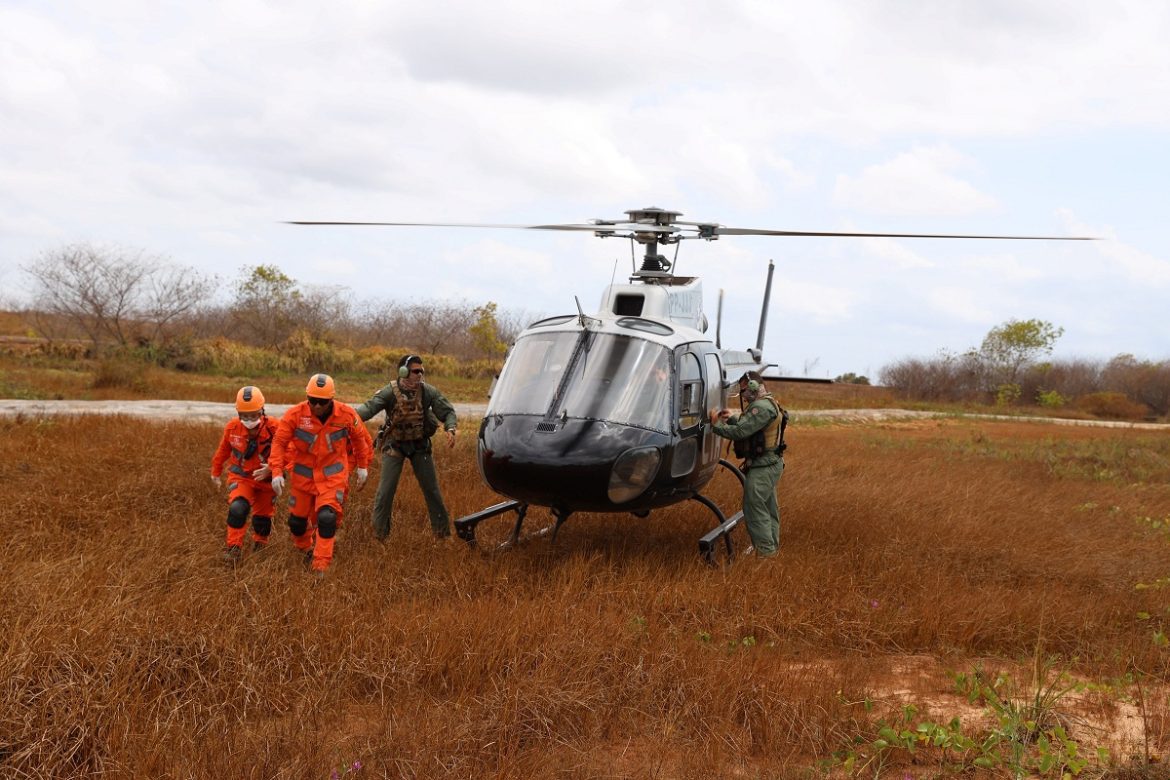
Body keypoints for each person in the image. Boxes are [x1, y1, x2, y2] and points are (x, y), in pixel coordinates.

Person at [269, 373, 373, 574]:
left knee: (326, 518)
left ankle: (320, 566)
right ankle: (305, 549)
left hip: (332, 478)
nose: (316, 406)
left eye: (322, 402)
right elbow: (279, 443)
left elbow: (360, 440)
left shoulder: (346, 415)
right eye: (312, 401)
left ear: (331, 400)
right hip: (303, 479)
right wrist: (276, 472)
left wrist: (362, 466)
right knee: (296, 522)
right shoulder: (295, 415)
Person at [356, 354, 457, 539]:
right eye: (415, 371)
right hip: (395, 445)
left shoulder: (427, 391)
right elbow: (367, 409)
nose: (420, 375)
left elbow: (447, 411)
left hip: (420, 445)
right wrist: (343, 418)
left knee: (432, 490)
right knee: (385, 492)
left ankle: (443, 535)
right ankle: (380, 537)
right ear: (403, 372)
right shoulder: (389, 392)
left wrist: (451, 428)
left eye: (422, 371)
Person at [709, 371, 788, 558]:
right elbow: (753, 425)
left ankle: (766, 554)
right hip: (769, 464)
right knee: (768, 509)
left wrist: (716, 424)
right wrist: (732, 418)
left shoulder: (760, 407)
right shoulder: (768, 403)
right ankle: (771, 549)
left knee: (754, 508)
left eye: (744, 389)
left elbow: (740, 433)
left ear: (753, 387)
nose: (743, 394)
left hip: (764, 466)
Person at [211, 385, 279, 562]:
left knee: (262, 519)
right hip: (241, 478)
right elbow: (222, 451)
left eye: (254, 415)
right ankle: (233, 549)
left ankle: (260, 545)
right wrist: (215, 472)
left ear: (262, 411)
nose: (249, 420)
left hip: (266, 481)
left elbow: (290, 452)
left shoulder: (274, 428)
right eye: (244, 416)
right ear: (238, 413)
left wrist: (272, 468)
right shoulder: (232, 428)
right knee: (237, 509)